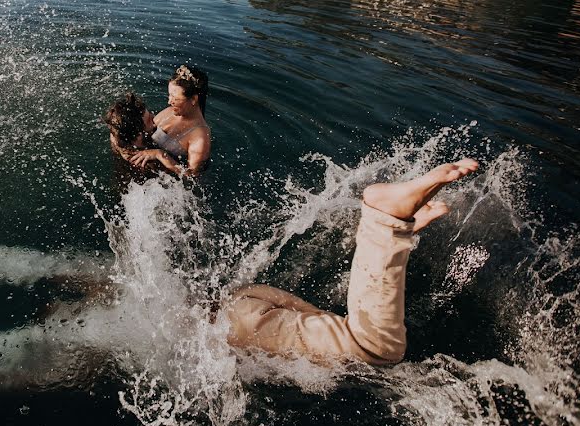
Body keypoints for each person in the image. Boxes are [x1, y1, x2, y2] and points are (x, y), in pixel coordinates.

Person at [225, 158, 480, 365]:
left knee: (373, 351)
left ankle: (385, 220)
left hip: (233, 324)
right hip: (241, 300)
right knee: (341, 337)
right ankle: (388, 232)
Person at [130, 64, 211, 175]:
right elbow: (146, 131)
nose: (169, 101)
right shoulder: (169, 112)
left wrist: (159, 155)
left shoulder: (200, 137)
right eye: (169, 95)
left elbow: (191, 178)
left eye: (175, 98)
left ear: (193, 99)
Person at [103, 92, 181, 174]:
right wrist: (159, 154)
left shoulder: (116, 133)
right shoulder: (146, 163)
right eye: (149, 120)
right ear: (138, 135)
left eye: (150, 113)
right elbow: (187, 176)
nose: (154, 116)